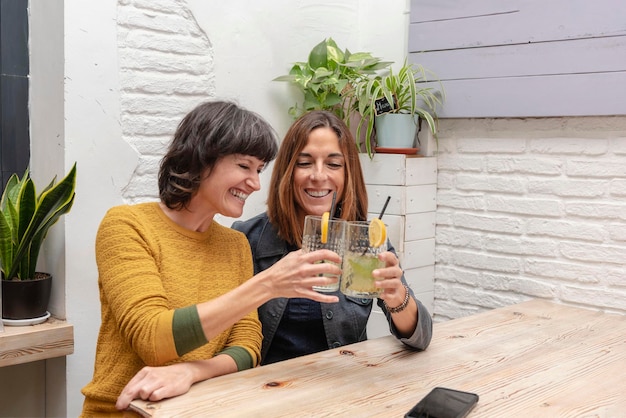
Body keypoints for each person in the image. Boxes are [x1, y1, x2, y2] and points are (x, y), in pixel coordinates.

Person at [81, 101, 341, 416]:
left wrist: (192, 372)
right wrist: (268, 284)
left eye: (259, 170)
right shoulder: (128, 225)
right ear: (201, 159)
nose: (255, 183)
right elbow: (152, 337)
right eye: (244, 166)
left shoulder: (235, 244)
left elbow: (248, 346)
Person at [232, 110, 433, 365]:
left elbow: (420, 338)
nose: (318, 176)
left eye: (334, 164)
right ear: (287, 171)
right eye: (304, 163)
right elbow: (225, 335)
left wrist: (397, 297)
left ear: (348, 174)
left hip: (344, 388)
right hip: (270, 390)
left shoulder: (366, 240)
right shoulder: (247, 239)